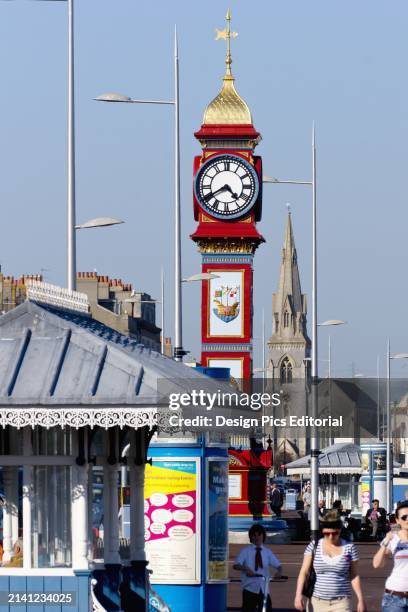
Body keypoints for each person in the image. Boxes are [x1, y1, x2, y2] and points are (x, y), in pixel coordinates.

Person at [294, 510, 366, 612]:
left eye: (335, 533)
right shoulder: (314, 546)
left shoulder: (349, 548)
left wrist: (361, 599)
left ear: (340, 531)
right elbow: (303, 572)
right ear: (323, 531)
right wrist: (298, 595)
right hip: (317, 602)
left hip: (342, 602)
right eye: (327, 533)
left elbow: (354, 575)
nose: (331, 536)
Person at [233, 523, 282, 612]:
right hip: (249, 588)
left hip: (264, 589)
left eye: (259, 535)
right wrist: (246, 569)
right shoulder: (245, 551)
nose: (257, 537)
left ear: (263, 536)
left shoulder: (267, 552)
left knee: (267, 608)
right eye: (254, 535)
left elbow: (278, 565)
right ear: (251, 537)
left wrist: (279, 572)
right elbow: (236, 565)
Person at [373, 500, 408, 611]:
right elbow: (377, 564)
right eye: (404, 517)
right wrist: (386, 541)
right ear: (397, 520)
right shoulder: (394, 536)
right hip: (395, 598)